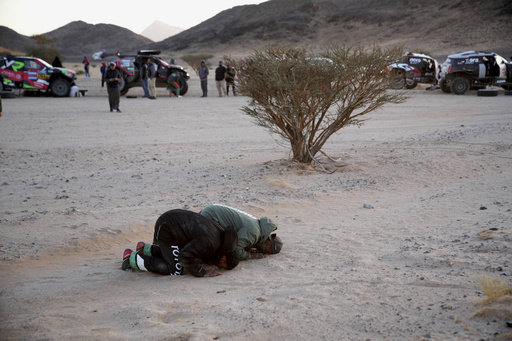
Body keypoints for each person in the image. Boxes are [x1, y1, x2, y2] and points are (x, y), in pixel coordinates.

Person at [122, 209, 239, 277]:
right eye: (222, 266)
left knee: (177, 257)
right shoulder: (210, 243)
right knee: (175, 269)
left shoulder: (219, 237)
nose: (218, 267)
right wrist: (201, 272)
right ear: (223, 258)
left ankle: (145, 249)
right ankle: (132, 258)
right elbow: (185, 256)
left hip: (174, 225)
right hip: (167, 227)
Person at [200, 204, 283, 261]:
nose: (265, 252)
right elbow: (235, 248)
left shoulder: (256, 224)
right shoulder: (254, 233)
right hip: (211, 216)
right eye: (268, 252)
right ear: (268, 245)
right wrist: (249, 256)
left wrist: (248, 248)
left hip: (210, 210)